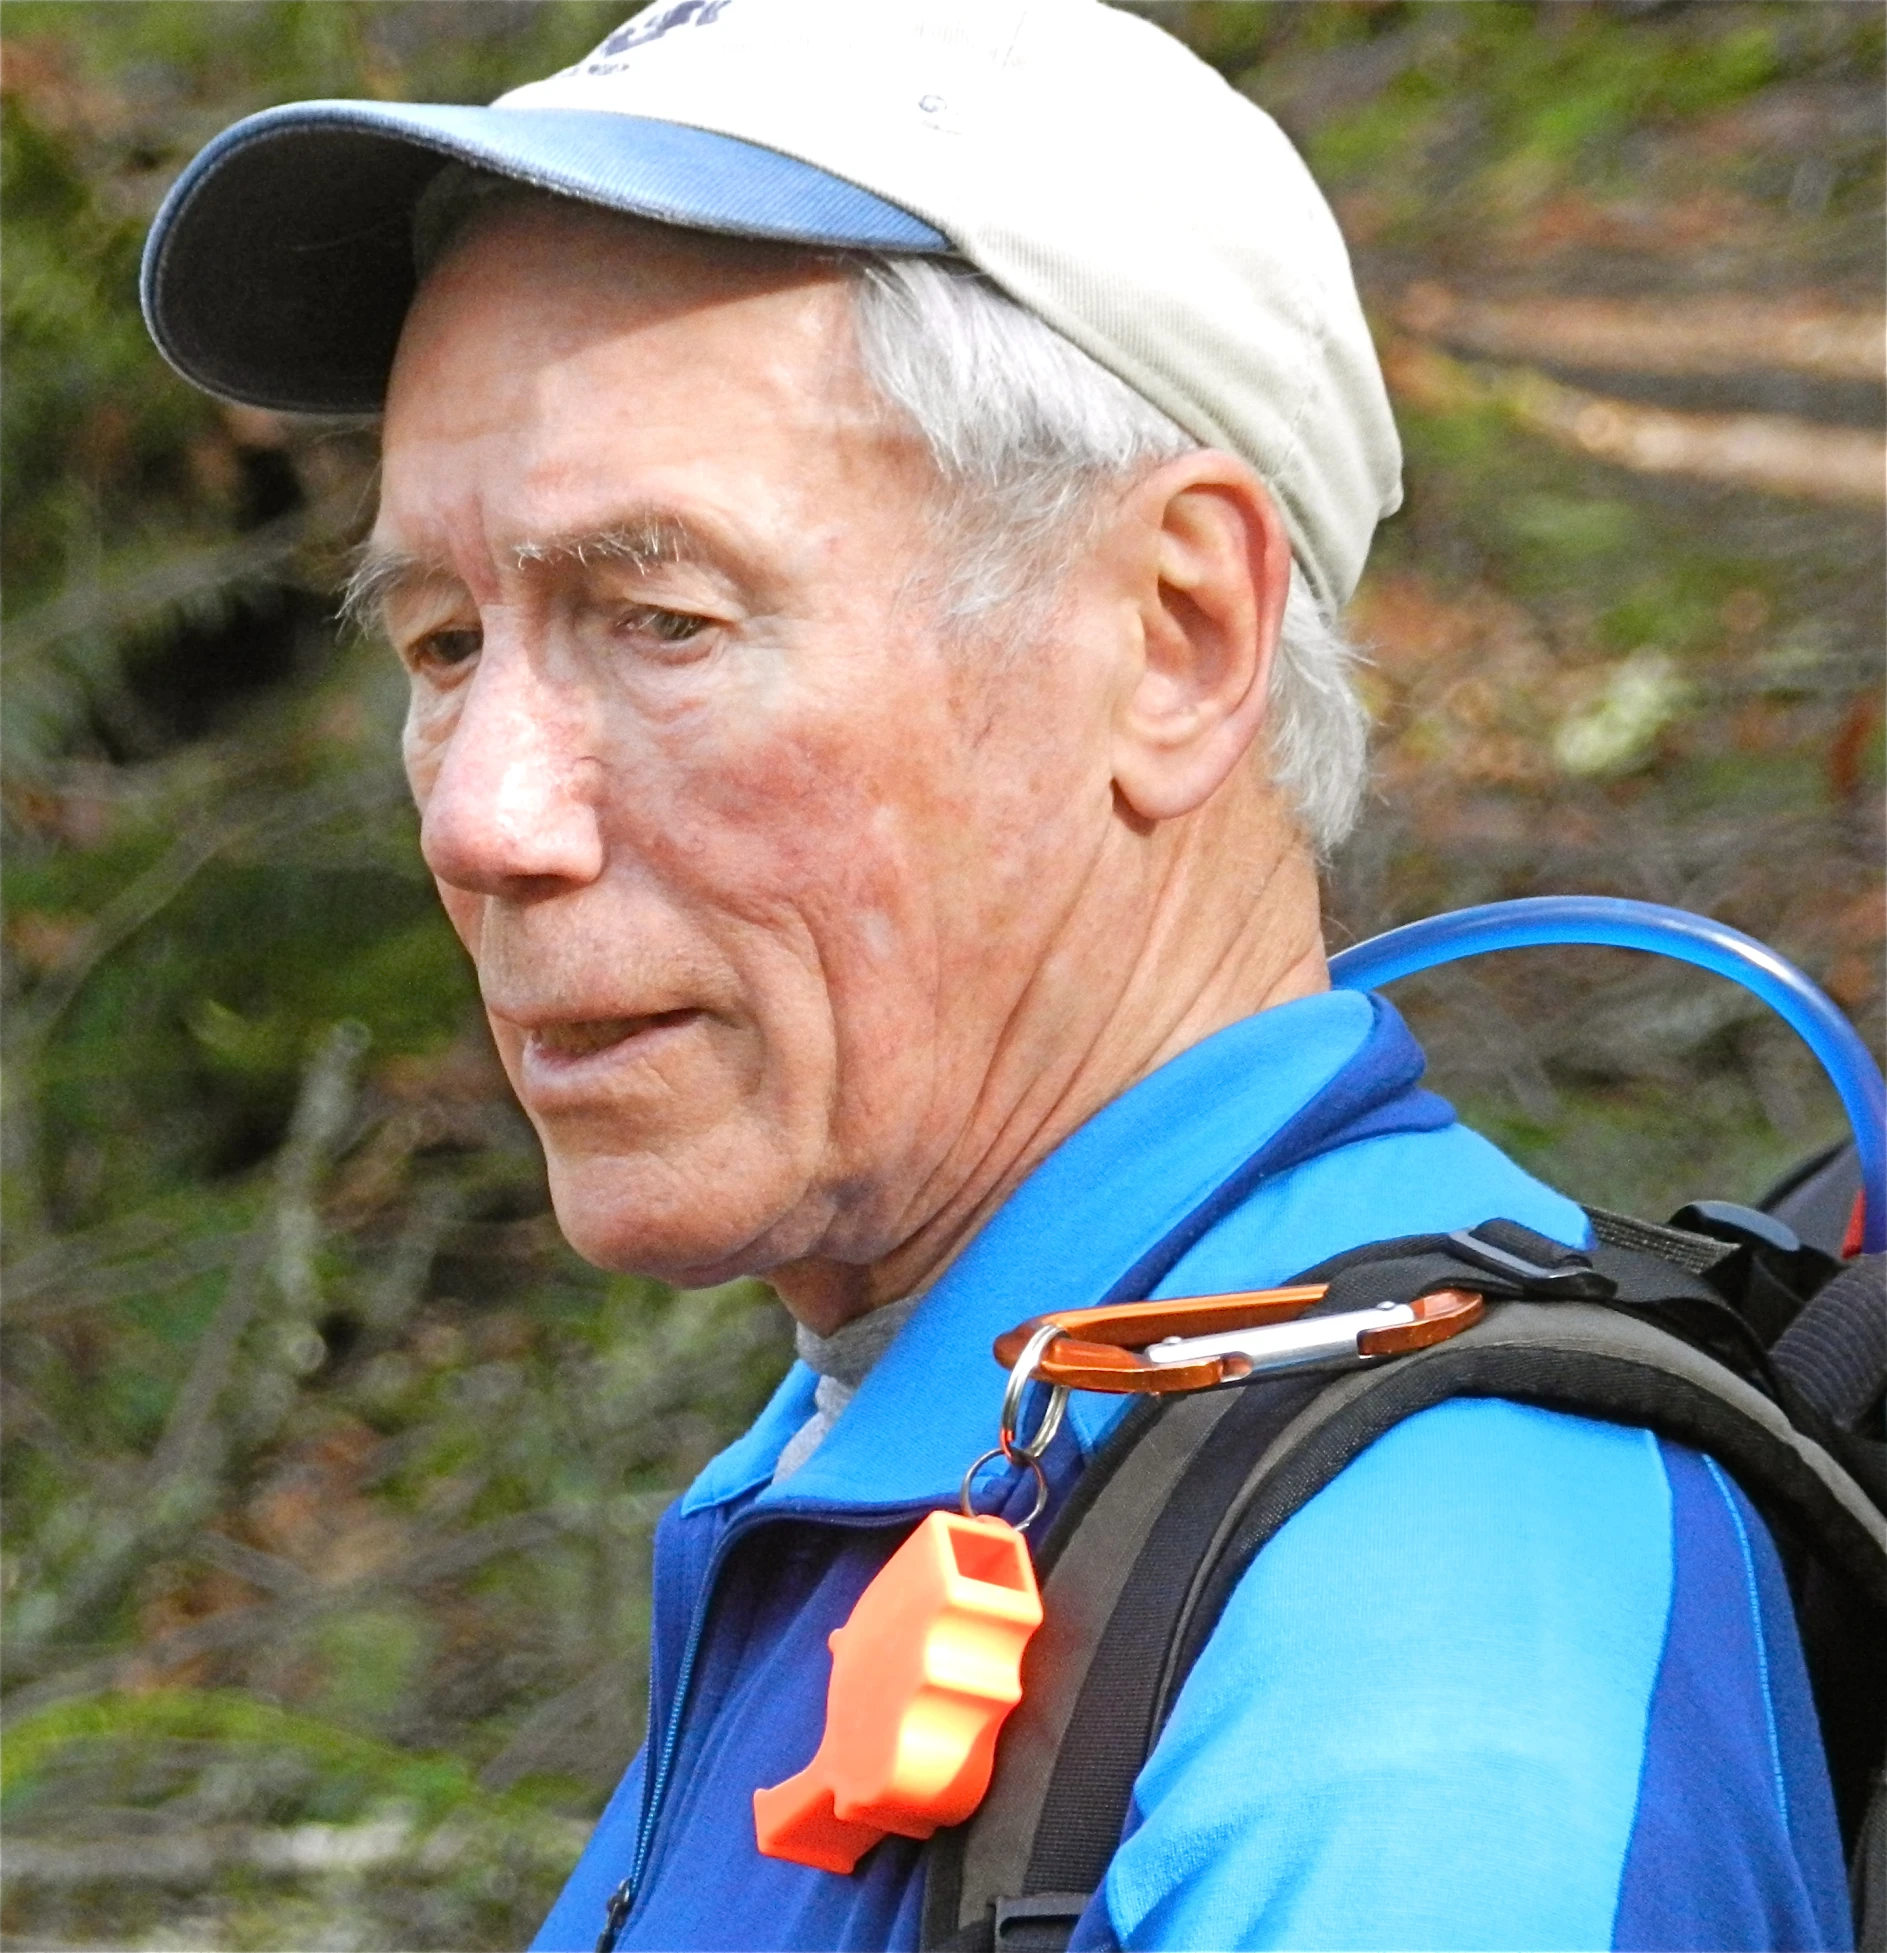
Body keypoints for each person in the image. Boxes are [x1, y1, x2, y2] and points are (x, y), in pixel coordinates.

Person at [140, 3, 1851, 1947]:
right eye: (444, 644)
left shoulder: (1412, 1687)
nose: (484, 820)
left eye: (662, 620)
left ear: (1175, 640)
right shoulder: (949, 1437)